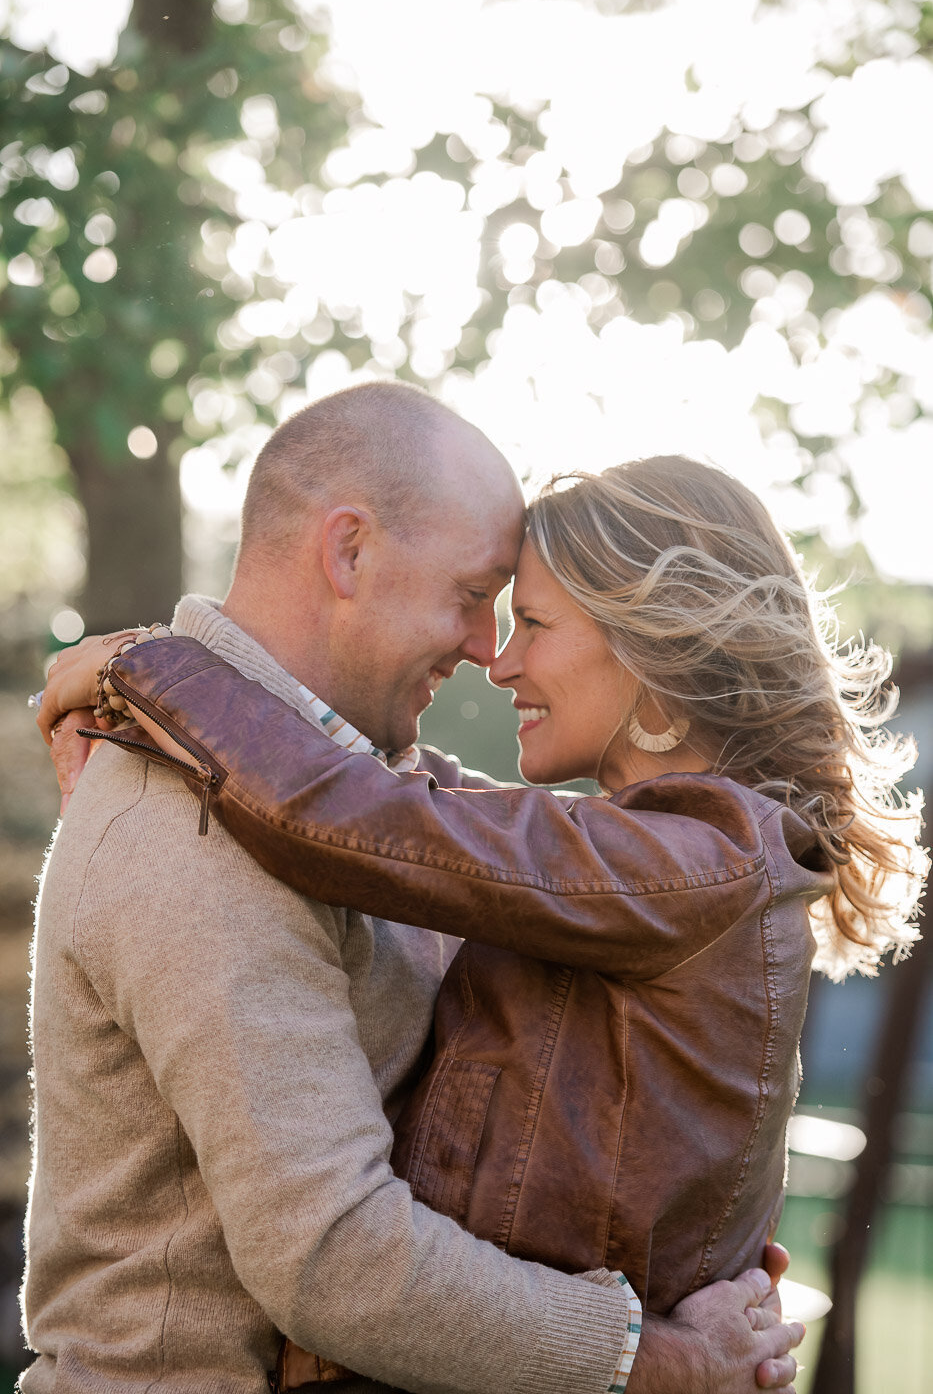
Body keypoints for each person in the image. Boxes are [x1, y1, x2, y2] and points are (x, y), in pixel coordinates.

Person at [25, 387, 804, 1394]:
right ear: (348, 552)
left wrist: (680, 1238)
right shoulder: (199, 824)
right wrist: (652, 1352)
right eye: (475, 593)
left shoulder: (369, 796)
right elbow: (335, 1256)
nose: (488, 651)